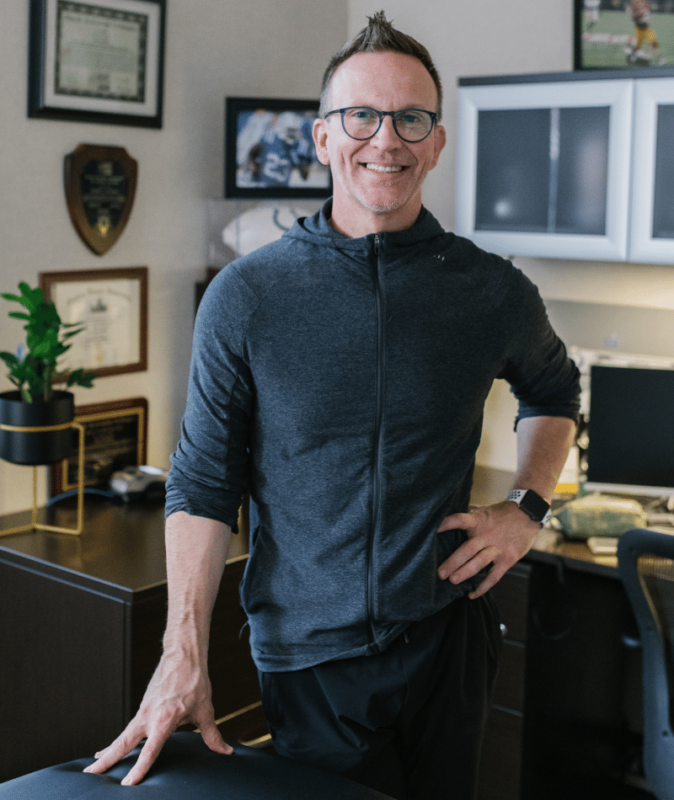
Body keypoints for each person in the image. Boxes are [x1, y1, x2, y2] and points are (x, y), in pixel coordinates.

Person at [85, 12, 580, 799]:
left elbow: (555, 388)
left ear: (437, 142)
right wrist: (182, 649)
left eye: (412, 118)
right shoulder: (246, 297)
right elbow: (205, 483)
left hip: (449, 636)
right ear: (321, 139)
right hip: (311, 660)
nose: (387, 139)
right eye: (362, 116)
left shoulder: (491, 291)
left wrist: (526, 506)